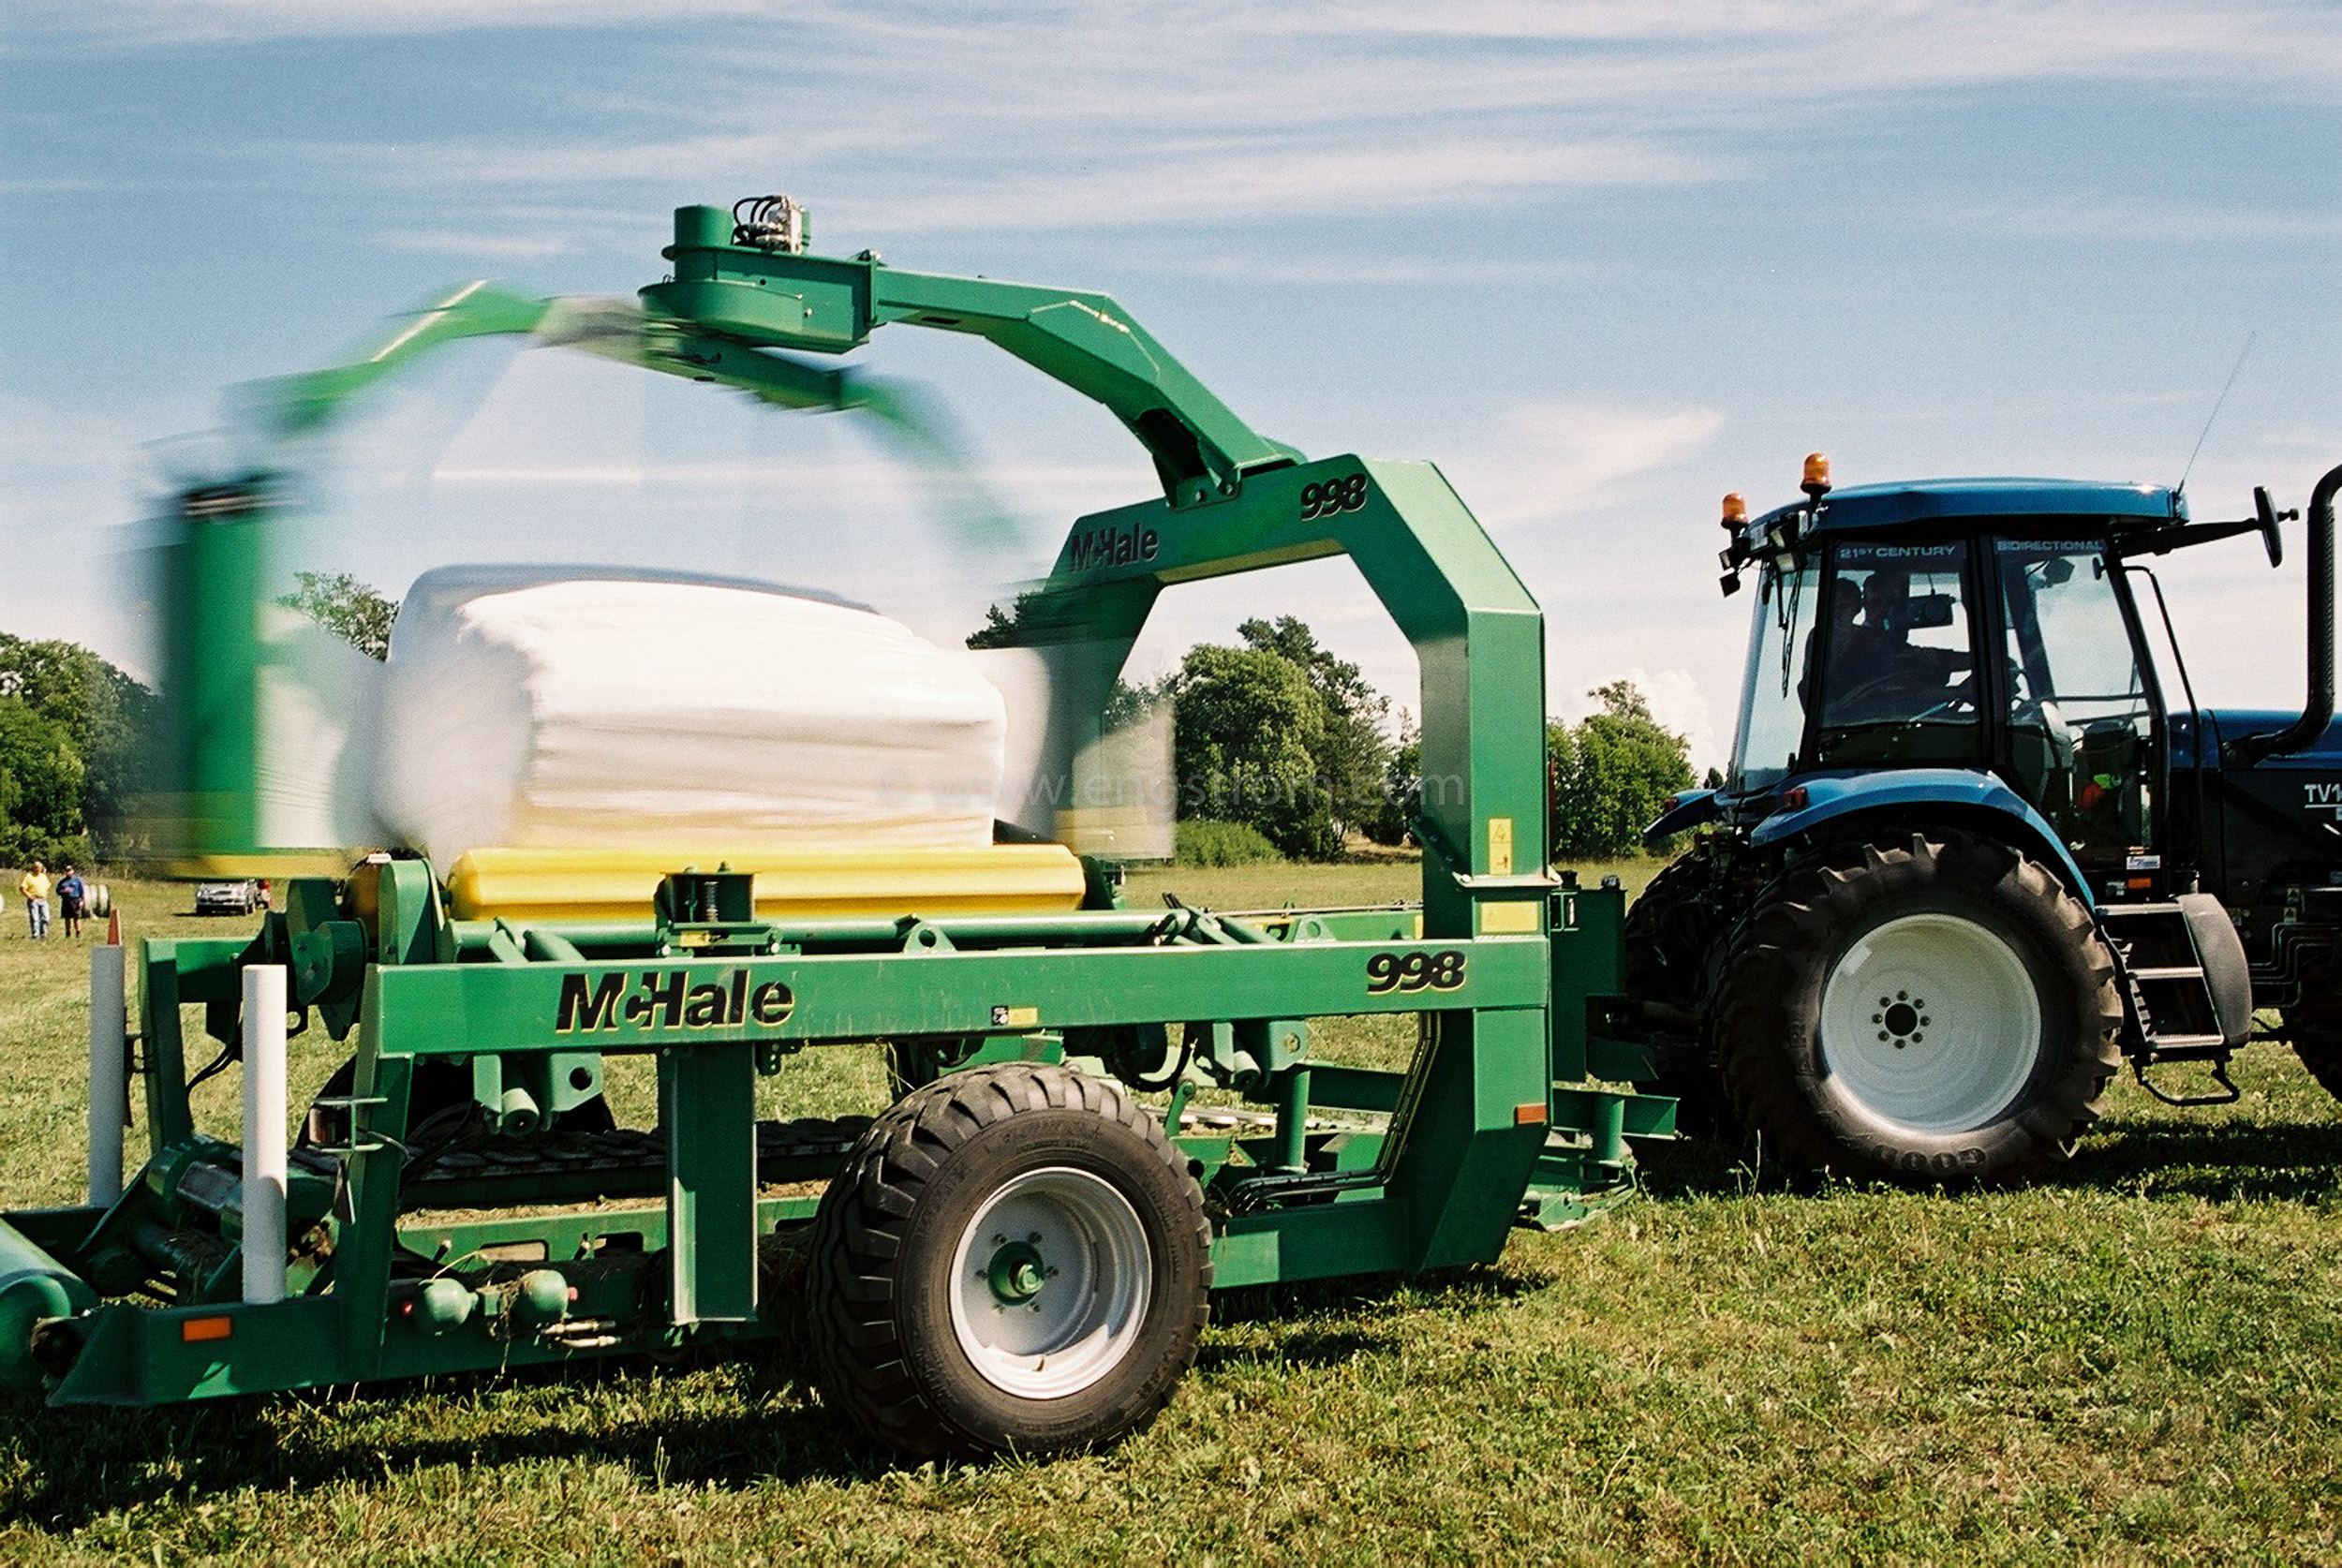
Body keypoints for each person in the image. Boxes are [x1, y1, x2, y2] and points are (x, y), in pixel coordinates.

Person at [19, 861, 52, 939]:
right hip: (34, 900)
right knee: (35, 918)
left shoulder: (43, 877)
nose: (38, 869)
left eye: (40, 867)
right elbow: (22, 888)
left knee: (46, 917)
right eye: (36, 867)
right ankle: (36, 935)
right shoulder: (29, 876)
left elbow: (48, 887)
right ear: (34, 868)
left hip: (43, 900)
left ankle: (44, 934)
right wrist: (29, 895)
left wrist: (46, 894)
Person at [56, 865, 87, 938]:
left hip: (75, 900)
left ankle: (78, 932)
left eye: (69, 870)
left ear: (72, 871)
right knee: (67, 918)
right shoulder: (62, 881)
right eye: (66, 871)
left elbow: (81, 891)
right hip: (66, 900)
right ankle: (68, 933)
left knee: (76, 917)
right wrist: (63, 891)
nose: (68, 872)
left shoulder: (77, 880)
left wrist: (81, 901)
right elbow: (58, 891)